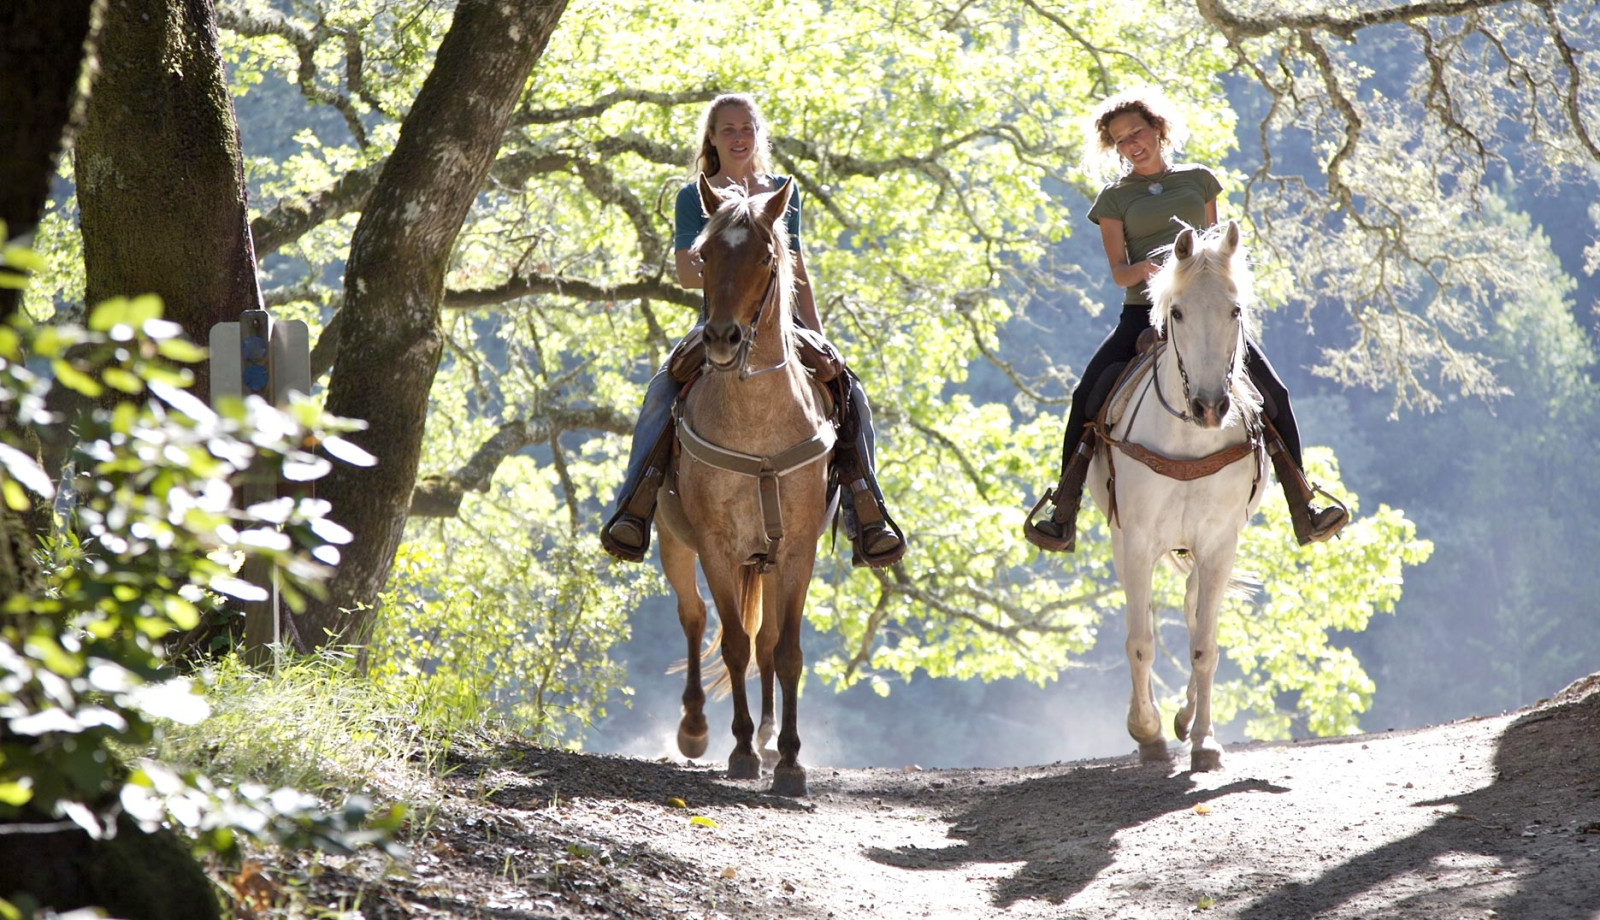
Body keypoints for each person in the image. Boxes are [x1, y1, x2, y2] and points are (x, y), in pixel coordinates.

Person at [1024, 87, 1348, 552]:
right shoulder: (1114, 198)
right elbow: (1119, 273)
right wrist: (1157, 270)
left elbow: (1216, 251)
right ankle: (1064, 509)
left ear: (1158, 129)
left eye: (1137, 132)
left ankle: (1304, 503)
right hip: (1143, 314)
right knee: (1086, 396)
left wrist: (1205, 279)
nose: (1131, 144)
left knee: (1275, 393)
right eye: (1120, 140)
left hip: (1204, 311)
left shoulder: (1199, 180)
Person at [601, 93, 906, 568]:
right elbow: (685, 272)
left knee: (853, 394)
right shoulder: (694, 196)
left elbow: (796, 268)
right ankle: (634, 507)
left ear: (758, 134)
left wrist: (820, 334)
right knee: (660, 392)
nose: (739, 137)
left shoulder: (782, 191)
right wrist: (734, 264)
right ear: (712, 138)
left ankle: (865, 510)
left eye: (747, 128)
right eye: (728, 129)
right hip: (719, 320)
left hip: (782, 322)